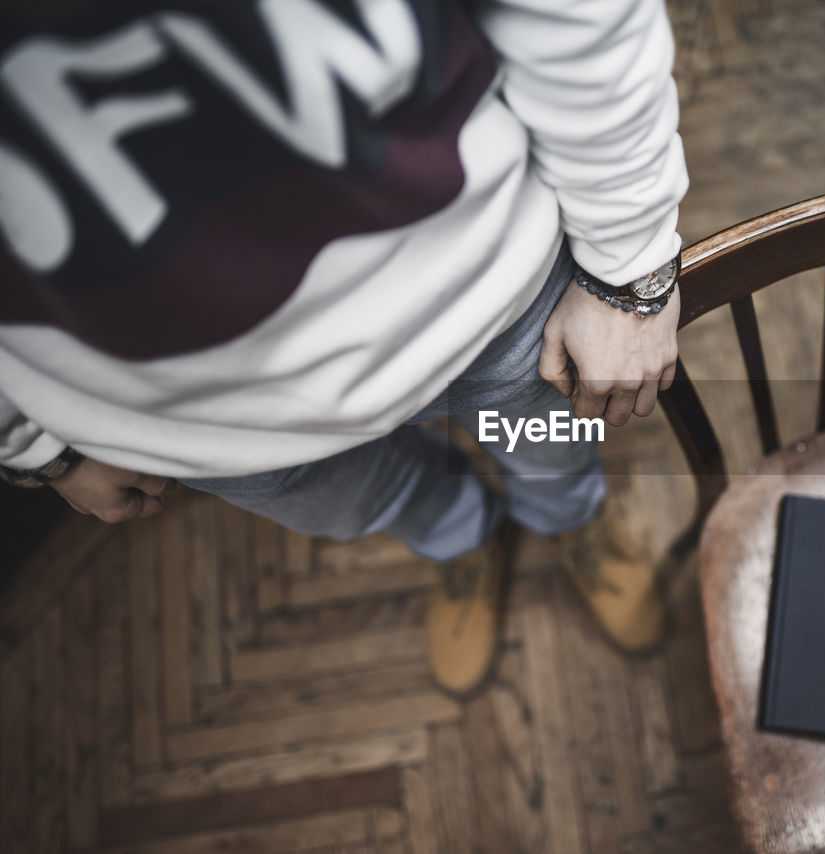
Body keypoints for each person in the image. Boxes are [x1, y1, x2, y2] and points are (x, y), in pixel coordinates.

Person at [0, 0, 688, 697]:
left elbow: (578, 16)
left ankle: (575, 525)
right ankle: (463, 541)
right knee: (377, 505)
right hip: (191, 424)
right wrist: (30, 443)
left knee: (548, 448)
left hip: (489, 302)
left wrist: (628, 269)